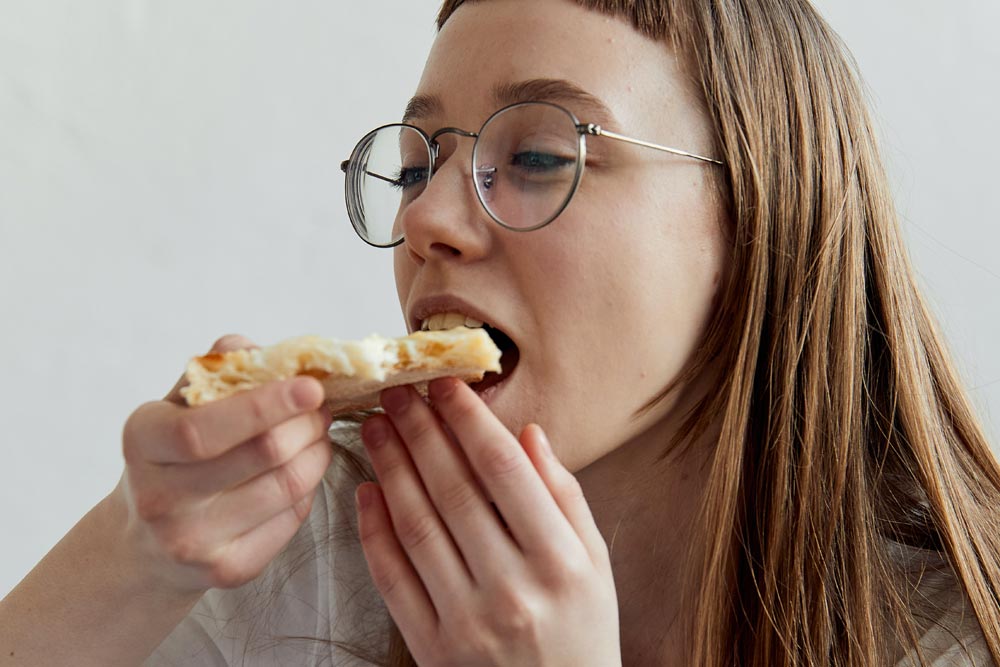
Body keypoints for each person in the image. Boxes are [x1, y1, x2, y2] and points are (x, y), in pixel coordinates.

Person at [2, 0, 999, 665]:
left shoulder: (958, 629)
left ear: (759, 219)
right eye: (416, 164)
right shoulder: (320, 545)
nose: (427, 217)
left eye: (535, 155)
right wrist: (139, 552)